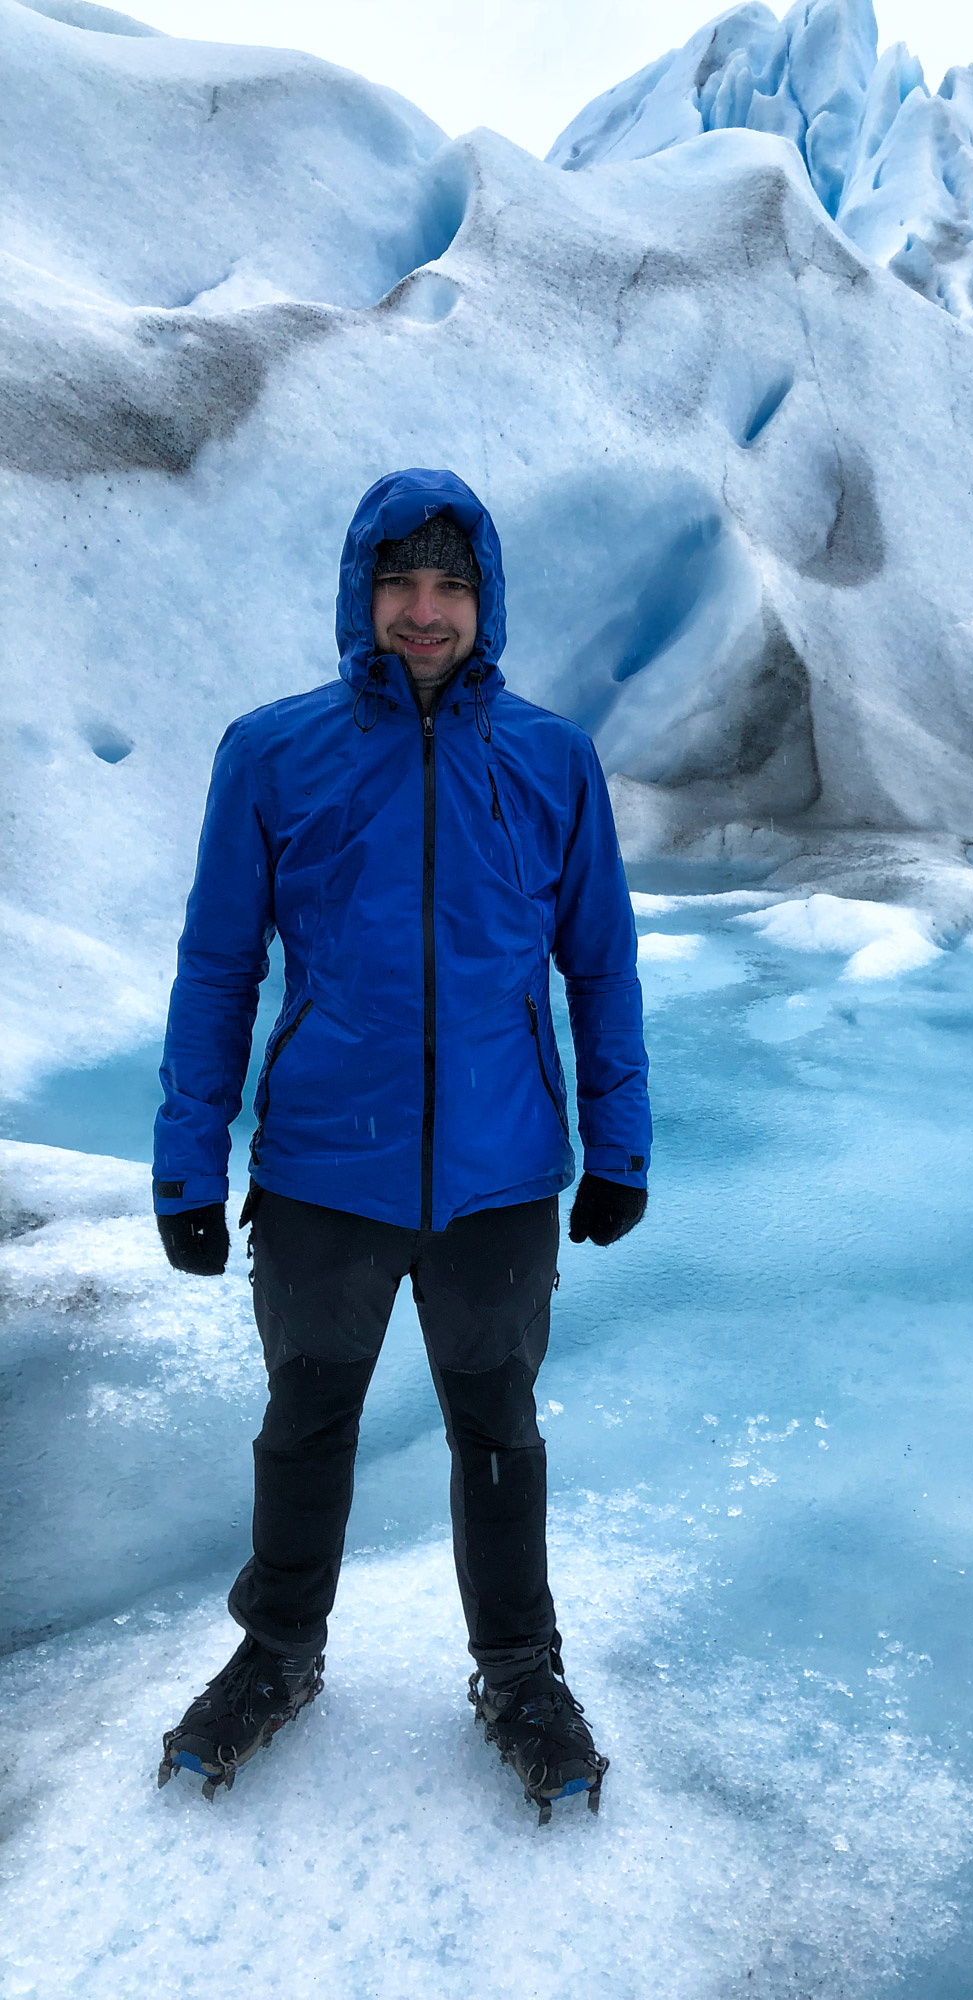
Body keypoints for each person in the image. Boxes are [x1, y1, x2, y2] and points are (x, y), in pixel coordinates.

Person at [151, 468, 650, 1821]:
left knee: (497, 1424)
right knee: (307, 1418)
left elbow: (598, 965)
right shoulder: (275, 753)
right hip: (324, 1167)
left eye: (451, 585)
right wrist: (190, 1163)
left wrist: (620, 1146)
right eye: (400, 581)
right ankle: (278, 1651)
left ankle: (520, 1669)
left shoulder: (550, 759)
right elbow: (216, 969)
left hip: (498, 1174)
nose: (424, 611)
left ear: (484, 602)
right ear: (360, 593)